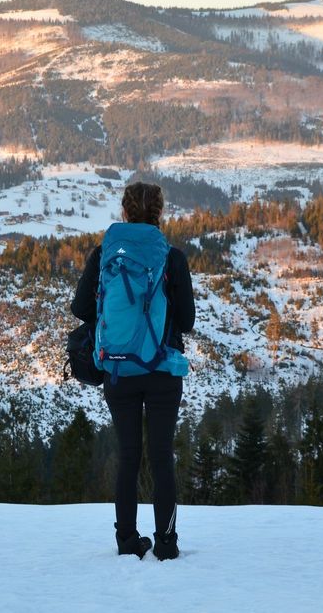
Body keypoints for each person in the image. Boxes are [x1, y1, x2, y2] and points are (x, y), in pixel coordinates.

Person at [70, 181, 195, 560]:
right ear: (160, 214)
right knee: (161, 456)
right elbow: (187, 321)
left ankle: (127, 541)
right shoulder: (172, 258)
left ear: (124, 213)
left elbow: (80, 309)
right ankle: (167, 543)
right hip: (162, 371)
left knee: (128, 455)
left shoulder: (104, 254)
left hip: (119, 371)